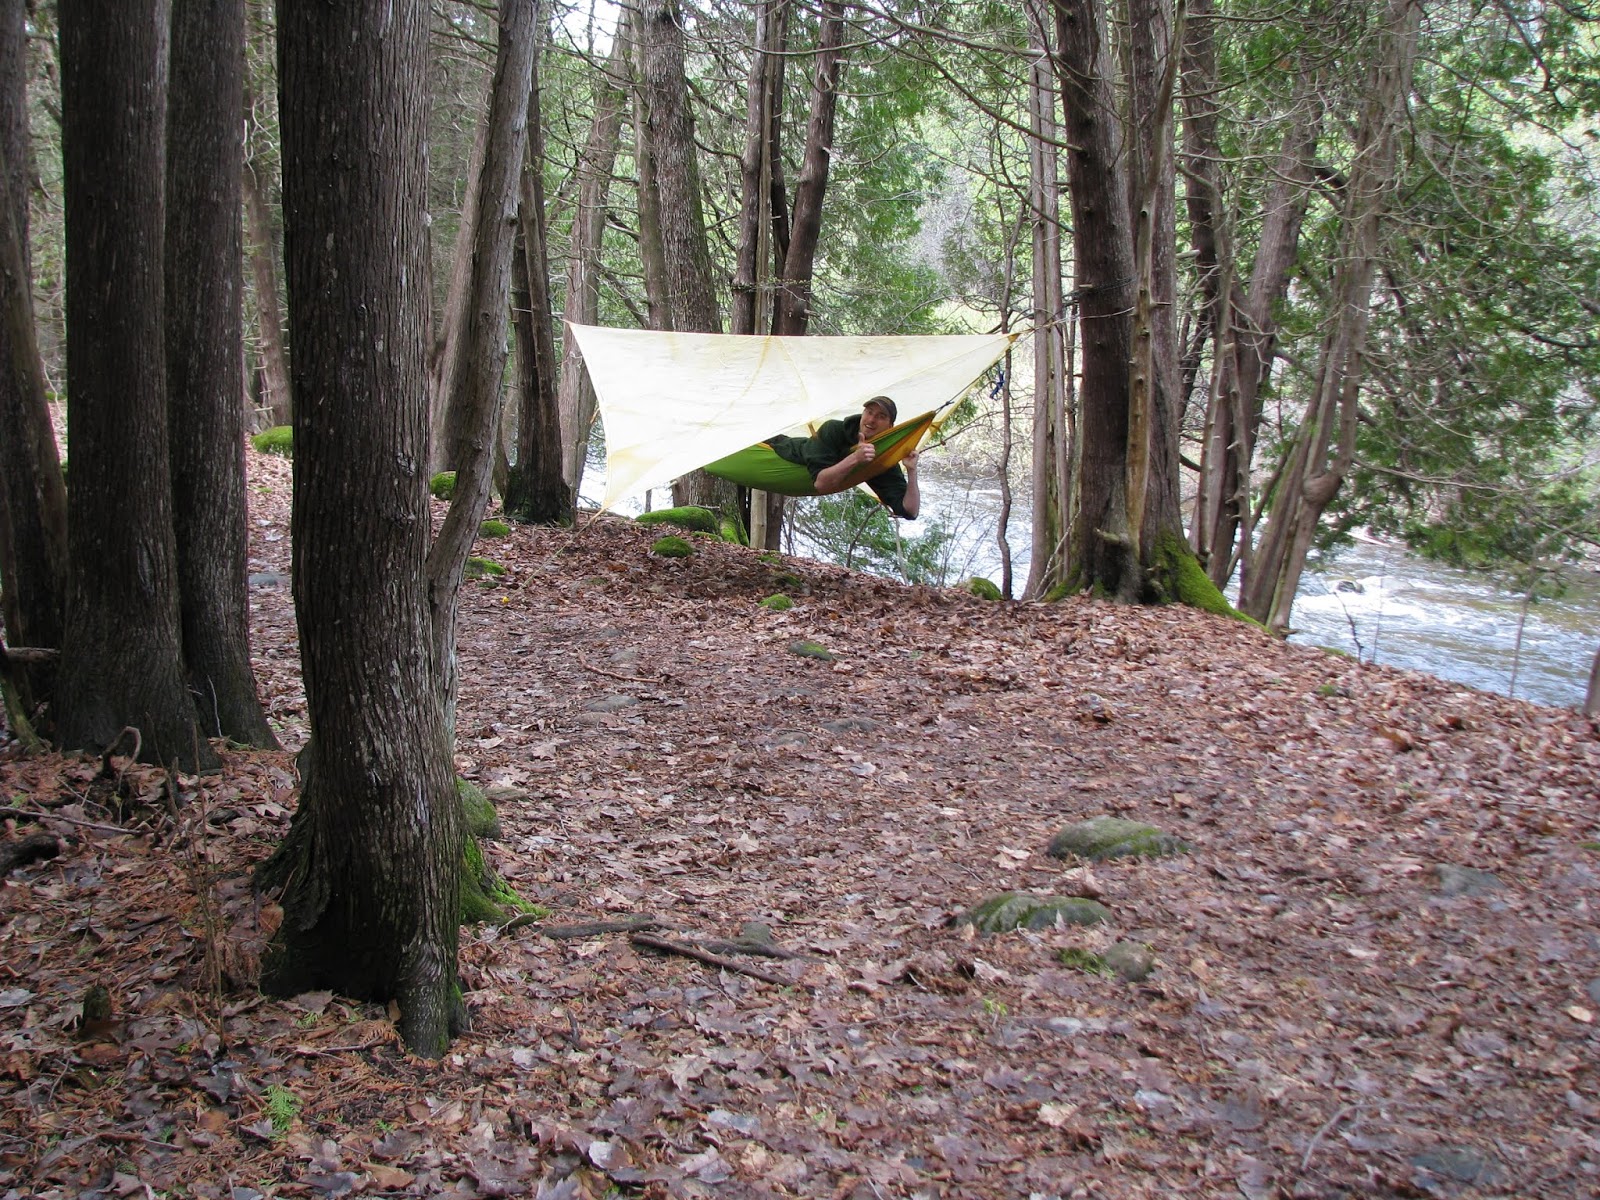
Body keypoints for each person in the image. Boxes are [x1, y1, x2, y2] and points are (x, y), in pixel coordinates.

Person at [767, 395, 921, 520]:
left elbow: (910, 511)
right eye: (869, 412)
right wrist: (856, 458)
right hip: (774, 451)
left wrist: (912, 470)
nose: (871, 420)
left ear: (890, 426)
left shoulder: (882, 458)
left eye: (881, 416)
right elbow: (821, 483)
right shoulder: (833, 429)